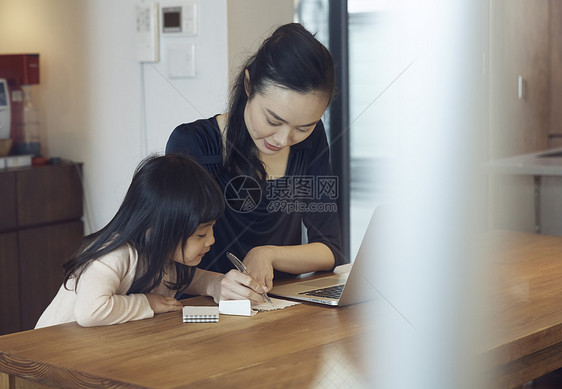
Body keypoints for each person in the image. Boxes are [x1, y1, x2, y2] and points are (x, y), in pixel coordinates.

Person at [165, 23, 347, 301]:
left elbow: (329, 250)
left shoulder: (312, 141)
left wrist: (269, 253)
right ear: (249, 85)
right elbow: (165, 260)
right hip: (203, 311)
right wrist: (214, 285)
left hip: (279, 307)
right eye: (273, 120)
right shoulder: (193, 143)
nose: (284, 138)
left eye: (304, 127)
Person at [35, 154, 255, 328]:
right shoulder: (114, 255)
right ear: (156, 232)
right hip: (50, 356)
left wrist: (217, 285)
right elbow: (90, 311)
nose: (212, 240)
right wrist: (146, 303)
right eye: (201, 234)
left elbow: (185, 279)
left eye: (212, 229)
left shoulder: (163, 255)